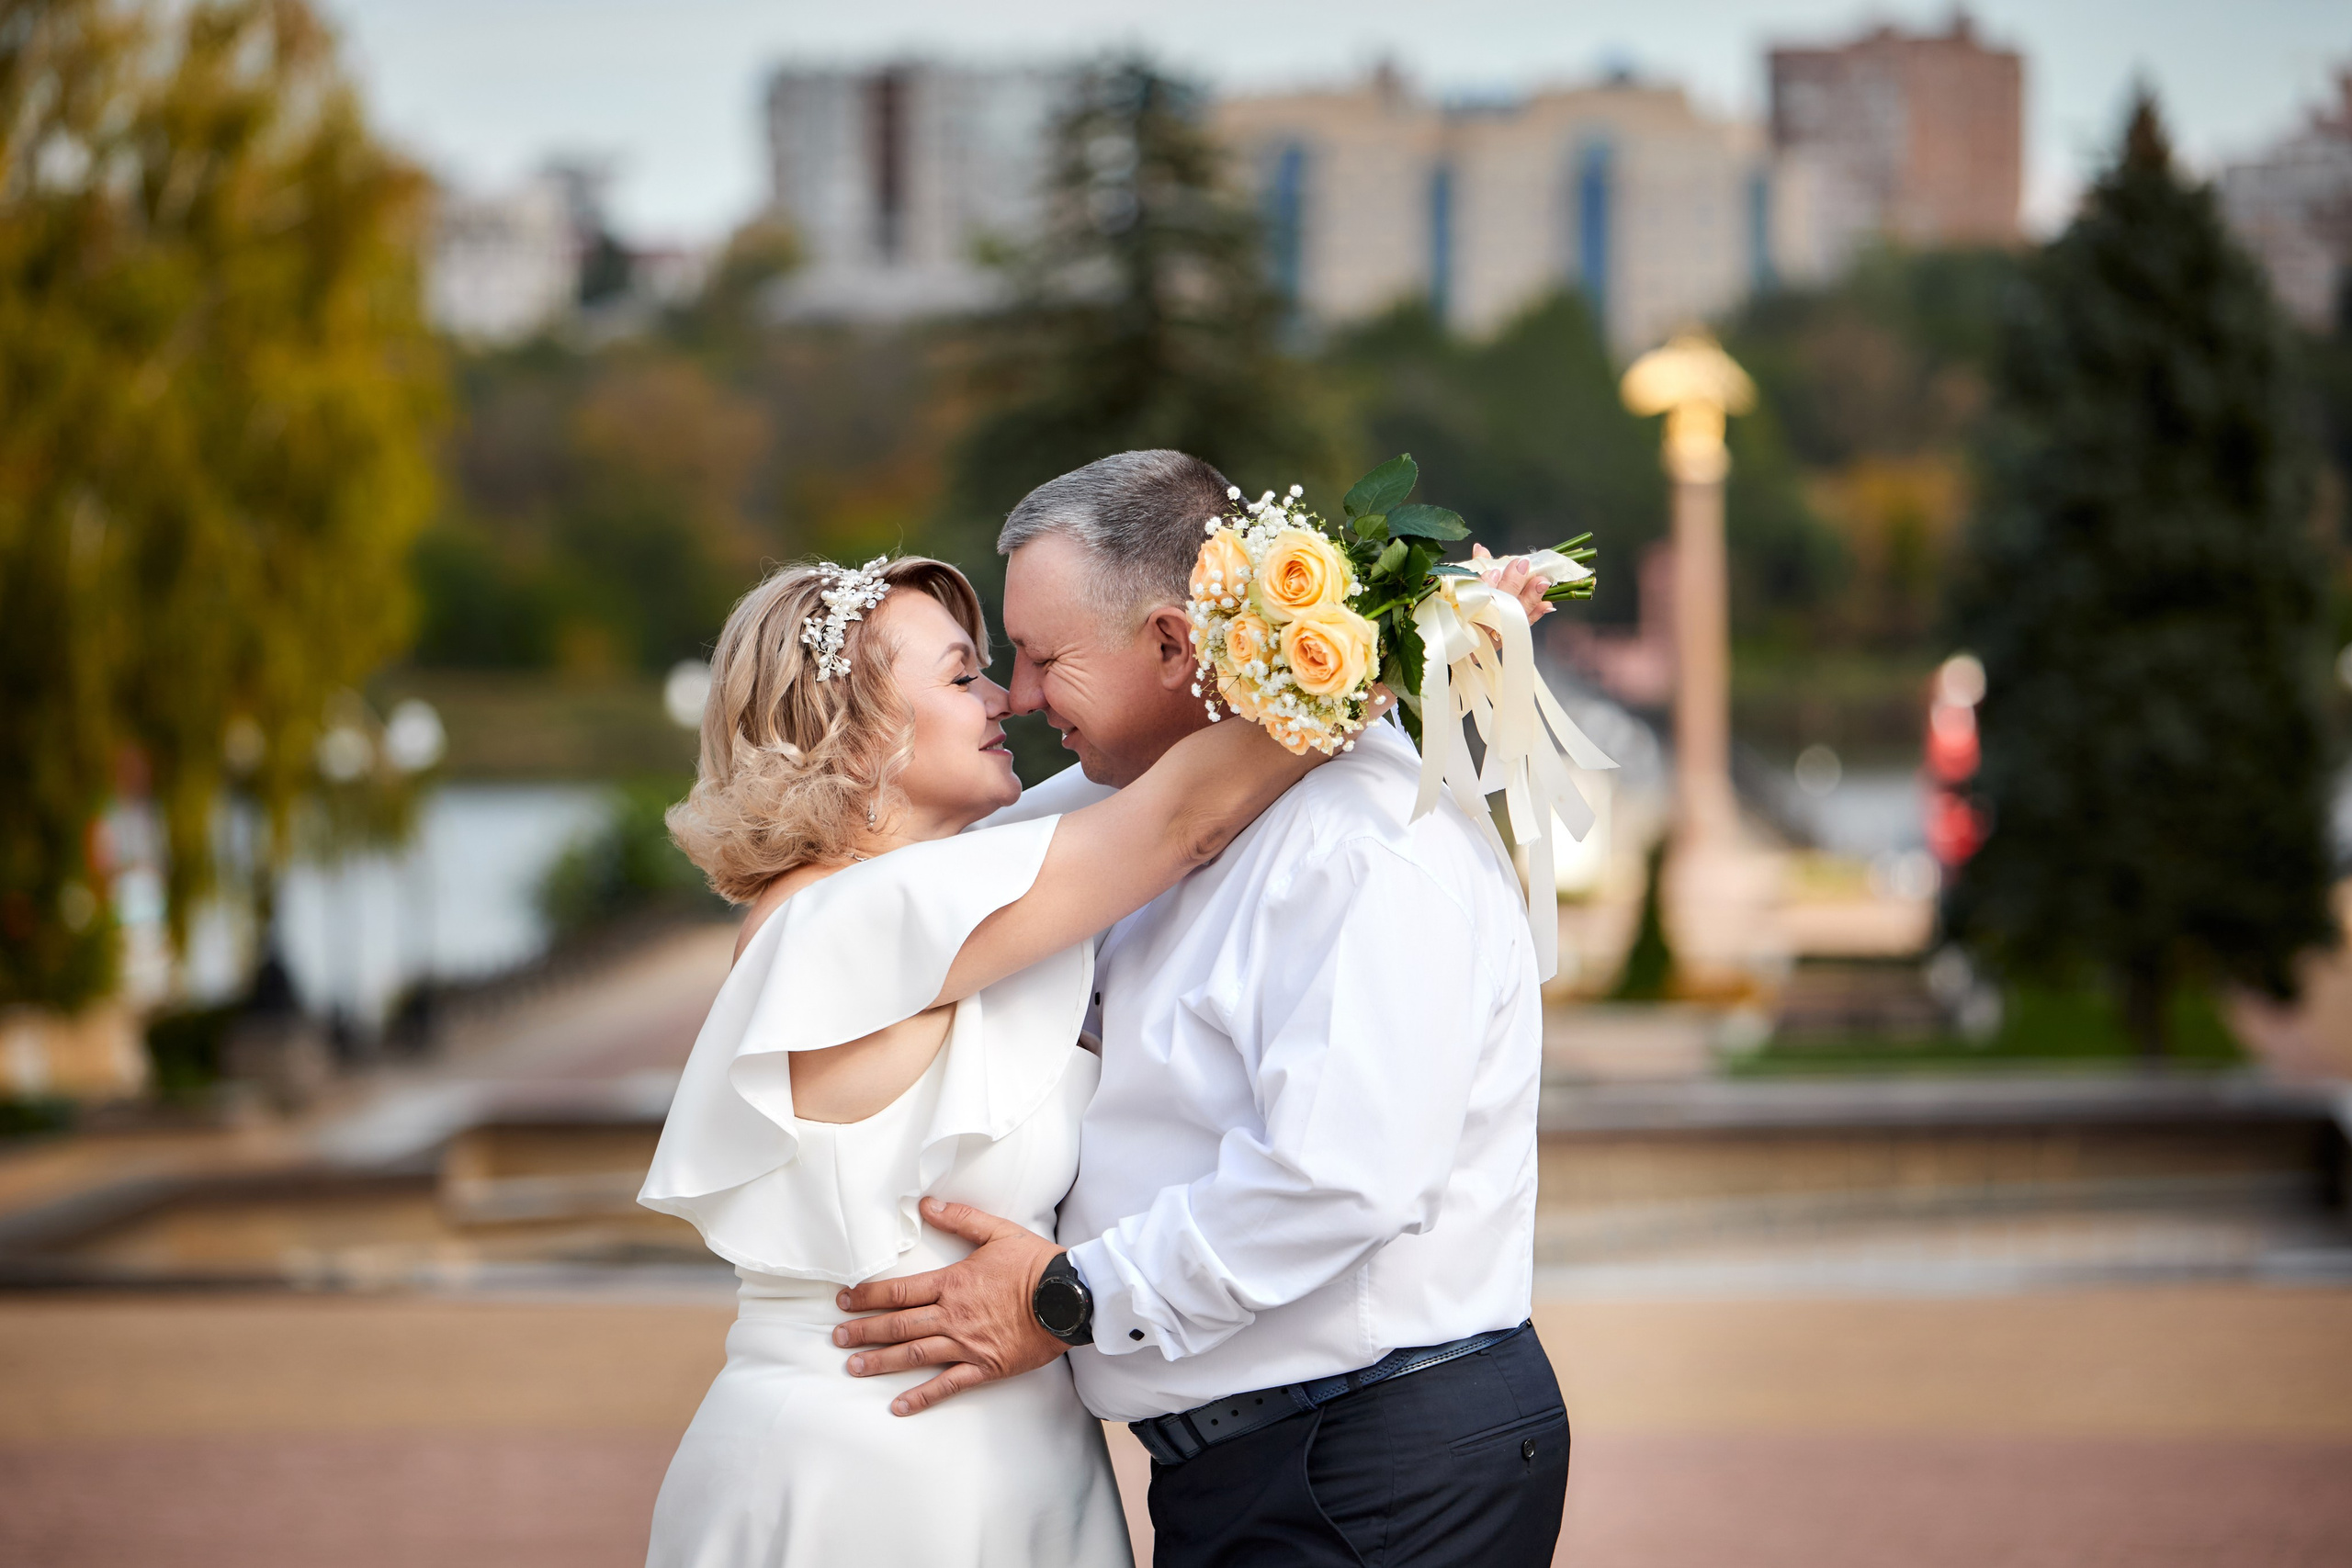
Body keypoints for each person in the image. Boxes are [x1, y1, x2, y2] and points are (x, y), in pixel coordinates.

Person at [832, 451, 1571, 1566]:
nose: (1019, 697)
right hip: (1263, 1465)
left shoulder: (1362, 849)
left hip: (1367, 1465)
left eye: (1044, 659)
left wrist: (1068, 1300)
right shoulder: (1132, 819)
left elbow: (1341, 1178)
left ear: (1176, 644)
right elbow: (947, 872)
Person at [637, 552, 1344, 1568]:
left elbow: (1135, 777)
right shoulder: (843, 919)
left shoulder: (937, 896)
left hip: (1004, 1455)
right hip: (872, 1472)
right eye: (963, 674)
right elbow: (1179, 818)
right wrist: (1385, 644)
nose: (1006, 698)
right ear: (853, 725)